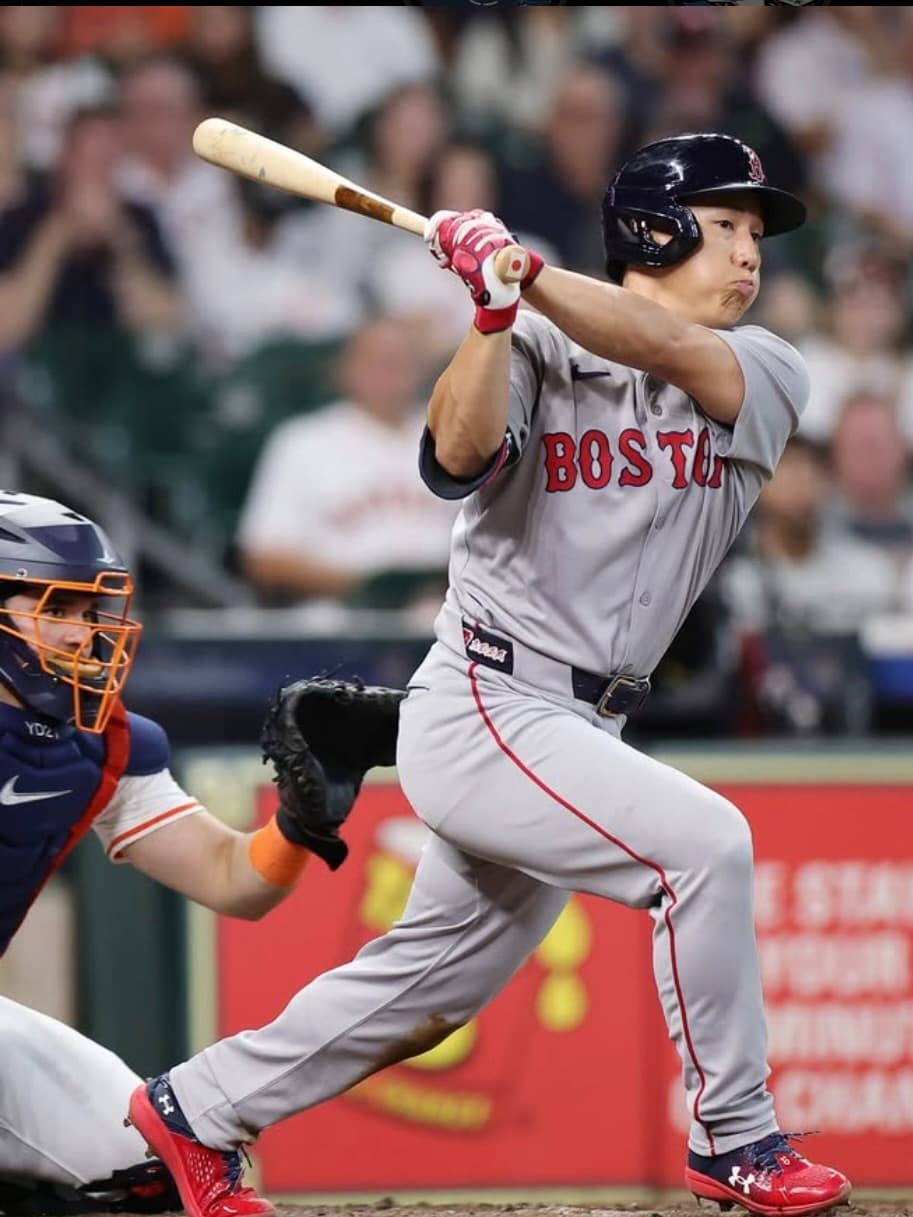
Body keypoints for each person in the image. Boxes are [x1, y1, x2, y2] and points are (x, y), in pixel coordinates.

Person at [126, 133, 853, 1217]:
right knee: (705, 846)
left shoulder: (769, 367)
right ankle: (735, 1136)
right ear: (653, 228)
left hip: (583, 722)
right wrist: (490, 315)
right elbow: (456, 457)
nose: (749, 252)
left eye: (755, 232)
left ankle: (191, 1110)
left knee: (425, 990)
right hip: (489, 694)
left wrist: (524, 271)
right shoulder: (536, 342)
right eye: (724, 225)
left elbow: (663, 344)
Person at [0, 493, 368, 1216]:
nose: (81, 633)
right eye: (55, 606)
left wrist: (300, 821)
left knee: (144, 1162)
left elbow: (233, 878)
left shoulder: (100, 744)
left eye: (88, 610)